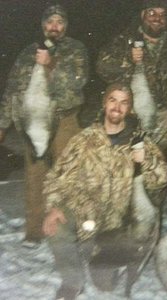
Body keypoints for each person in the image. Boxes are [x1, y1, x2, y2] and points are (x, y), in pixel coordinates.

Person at [42, 83, 167, 299]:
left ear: (130, 109)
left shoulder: (140, 142)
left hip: (118, 224)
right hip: (85, 214)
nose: (117, 107)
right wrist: (53, 206)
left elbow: (162, 179)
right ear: (104, 103)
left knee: (106, 286)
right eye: (113, 100)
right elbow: (58, 176)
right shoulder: (84, 139)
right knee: (57, 226)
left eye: (124, 103)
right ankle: (72, 283)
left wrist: (146, 161)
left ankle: (102, 256)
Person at [0, 5, 89, 244]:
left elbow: (77, 82)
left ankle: (68, 229)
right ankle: (34, 231)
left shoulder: (75, 49)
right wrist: (2, 124)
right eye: (50, 22)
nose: (54, 27)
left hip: (65, 121)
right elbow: (11, 89)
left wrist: (51, 64)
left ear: (66, 26)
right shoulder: (27, 53)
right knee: (35, 176)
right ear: (42, 25)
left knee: (68, 176)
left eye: (60, 22)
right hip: (34, 122)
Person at [96, 0, 167, 152]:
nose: (157, 18)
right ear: (142, 15)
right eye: (152, 13)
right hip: (131, 119)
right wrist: (129, 59)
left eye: (162, 14)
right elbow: (102, 68)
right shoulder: (124, 41)